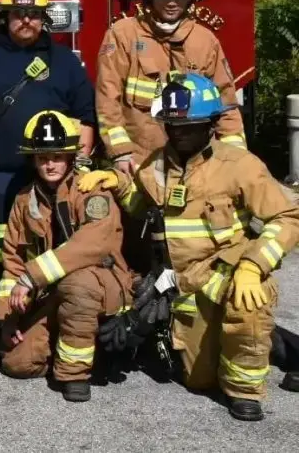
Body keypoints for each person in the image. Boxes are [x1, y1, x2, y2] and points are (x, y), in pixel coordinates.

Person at [81, 73, 299, 421]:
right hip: (186, 286)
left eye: (189, 126)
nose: (178, 133)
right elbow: (140, 203)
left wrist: (253, 265)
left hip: (229, 273)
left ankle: (244, 391)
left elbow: (289, 216)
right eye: (171, 125)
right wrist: (116, 183)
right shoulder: (156, 164)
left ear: (211, 124)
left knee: (248, 307)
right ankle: (259, 345)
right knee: (198, 380)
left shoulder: (240, 166)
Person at [0, 0, 97, 364]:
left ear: (45, 17)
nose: (26, 20)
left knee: (50, 251)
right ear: (4, 15)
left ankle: (52, 321)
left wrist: (81, 173)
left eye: (34, 13)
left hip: (50, 179)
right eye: (18, 12)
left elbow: (86, 119)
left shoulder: (66, 64)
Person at [0, 110, 132, 403]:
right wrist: (8, 318)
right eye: (43, 157)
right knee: (17, 364)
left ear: (70, 157)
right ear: (33, 159)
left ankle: (74, 375)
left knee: (77, 283)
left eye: (57, 156)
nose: (50, 164)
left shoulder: (91, 189)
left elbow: (94, 243)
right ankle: (66, 342)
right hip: (48, 293)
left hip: (99, 284)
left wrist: (33, 276)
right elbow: (12, 261)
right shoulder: (23, 200)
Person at [95, 0, 245, 174]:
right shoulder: (123, 34)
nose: (172, 2)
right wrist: (121, 152)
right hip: (139, 163)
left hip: (197, 165)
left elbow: (226, 105)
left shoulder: (205, 41)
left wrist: (235, 160)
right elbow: (108, 99)